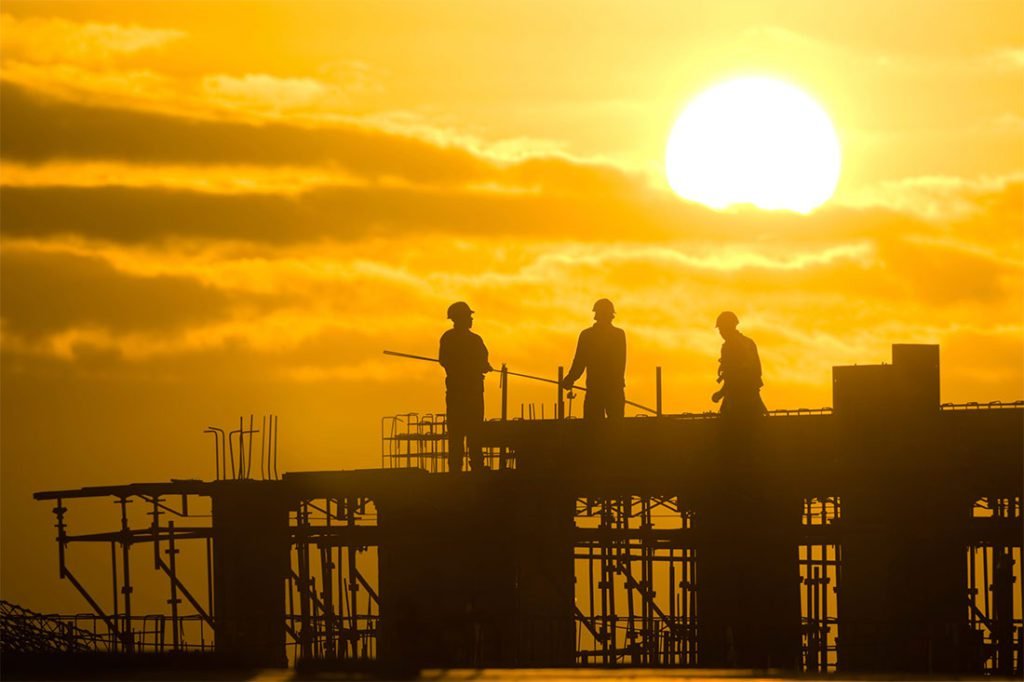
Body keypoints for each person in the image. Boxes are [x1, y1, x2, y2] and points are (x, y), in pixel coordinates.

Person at [439, 301, 492, 472]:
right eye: (468, 316)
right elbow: (482, 362)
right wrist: (481, 366)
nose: (471, 319)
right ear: (461, 318)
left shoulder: (448, 338)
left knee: (457, 433)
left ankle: (455, 470)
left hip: (457, 393)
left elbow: (444, 361)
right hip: (471, 393)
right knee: (472, 431)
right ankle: (475, 466)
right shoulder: (474, 340)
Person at [560, 298, 627, 419]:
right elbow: (580, 361)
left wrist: (570, 380)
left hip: (597, 390)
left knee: (594, 429)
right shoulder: (618, 335)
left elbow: (579, 362)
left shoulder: (588, 335)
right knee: (616, 429)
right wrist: (570, 379)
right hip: (611, 390)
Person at [711, 311, 767, 417]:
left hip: (737, 400)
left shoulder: (729, 347)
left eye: (722, 329)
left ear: (728, 328)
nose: (721, 333)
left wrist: (720, 394)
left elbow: (731, 376)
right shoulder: (749, 342)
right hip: (752, 397)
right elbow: (757, 372)